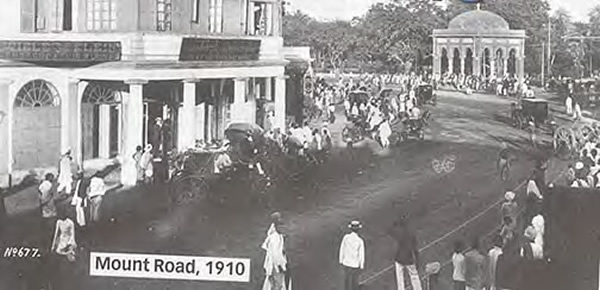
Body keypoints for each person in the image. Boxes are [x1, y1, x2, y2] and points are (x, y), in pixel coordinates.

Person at [389, 216, 422, 290]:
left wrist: (394, 223)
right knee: (414, 276)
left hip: (399, 258)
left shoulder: (399, 233)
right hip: (409, 259)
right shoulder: (411, 235)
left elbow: (390, 231)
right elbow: (415, 250)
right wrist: (417, 261)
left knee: (400, 278)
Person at [50, 206, 78, 290]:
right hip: (61, 245)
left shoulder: (70, 222)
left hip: (67, 245)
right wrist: (53, 245)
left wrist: (72, 246)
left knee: (67, 268)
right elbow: (56, 234)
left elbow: (72, 235)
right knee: (58, 267)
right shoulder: (59, 222)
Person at [261, 213, 288, 290]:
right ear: (276, 226)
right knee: (277, 286)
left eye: (283, 226)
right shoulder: (274, 238)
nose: (282, 228)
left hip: (276, 266)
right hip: (275, 266)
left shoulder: (279, 237)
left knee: (274, 286)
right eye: (280, 226)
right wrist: (279, 266)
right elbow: (275, 254)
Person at [339, 220, 365, 290]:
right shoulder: (360, 240)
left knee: (347, 280)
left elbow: (342, 248)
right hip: (355, 264)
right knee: (354, 281)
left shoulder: (346, 237)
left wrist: (341, 260)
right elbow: (361, 254)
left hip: (346, 262)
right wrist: (361, 265)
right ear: (358, 230)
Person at [39, 173, 57, 247]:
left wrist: (41, 200)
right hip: (49, 202)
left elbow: (39, 192)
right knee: (51, 216)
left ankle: (46, 228)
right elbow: (51, 193)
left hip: (43, 202)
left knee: (45, 214)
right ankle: (51, 231)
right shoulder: (50, 185)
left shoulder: (42, 184)